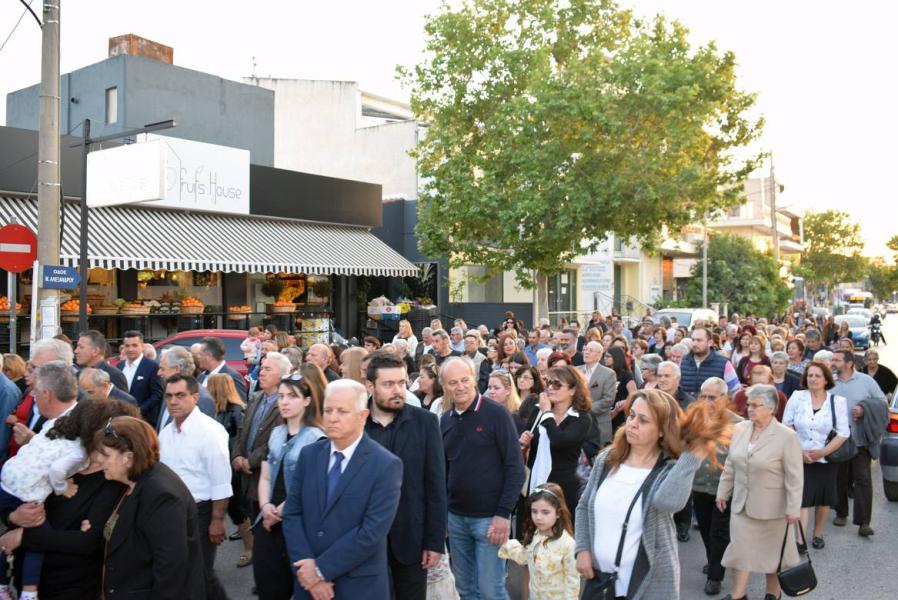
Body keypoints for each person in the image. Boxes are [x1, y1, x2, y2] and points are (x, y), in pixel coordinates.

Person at [574, 389, 721, 600]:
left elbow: (668, 502)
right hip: (601, 582)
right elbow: (584, 506)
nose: (632, 424)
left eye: (643, 420)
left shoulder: (669, 470)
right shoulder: (607, 460)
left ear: (661, 430)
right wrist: (582, 549)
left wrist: (693, 456)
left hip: (649, 584)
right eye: (632, 415)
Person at [282, 379, 403, 599]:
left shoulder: (385, 464)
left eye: (342, 411)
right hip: (306, 582)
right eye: (328, 410)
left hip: (358, 586)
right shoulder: (309, 455)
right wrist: (306, 569)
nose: (332, 417)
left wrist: (320, 570)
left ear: (363, 416)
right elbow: (292, 513)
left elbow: (371, 531)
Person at [364, 353, 447, 600]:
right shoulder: (356, 422)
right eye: (388, 384)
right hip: (363, 541)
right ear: (370, 386)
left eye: (401, 383)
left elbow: (435, 486)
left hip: (411, 541)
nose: (397, 390)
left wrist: (434, 541)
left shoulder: (425, 422)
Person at [440, 357, 524, 600]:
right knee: (465, 590)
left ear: (475, 379)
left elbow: (515, 468)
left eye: (465, 380)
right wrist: (443, 515)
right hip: (455, 519)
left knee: (491, 591)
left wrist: (503, 514)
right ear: (444, 386)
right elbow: (443, 472)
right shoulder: (445, 420)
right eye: (453, 382)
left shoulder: (496, 414)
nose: (460, 387)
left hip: (490, 520)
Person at [96, 416, 205, 599]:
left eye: (105, 455)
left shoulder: (161, 495)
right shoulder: (132, 482)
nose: (99, 460)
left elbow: (170, 565)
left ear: (128, 458)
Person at [0, 362, 84, 600]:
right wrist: (12, 517)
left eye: (35, 391)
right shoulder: (57, 420)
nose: (32, 396)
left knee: (33, 538)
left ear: (46, 393)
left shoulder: (81, 422)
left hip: (65, 573)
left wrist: (63, 487)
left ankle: (25, 591)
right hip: (24, 501)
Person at [716, 384, 804, 600]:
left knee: (772, 556)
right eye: (749, 404)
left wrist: (794, 509)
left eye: (756, 405)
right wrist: (722, 491)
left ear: (771, 408)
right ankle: (738, 594)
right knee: (740, 552)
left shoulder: (787, 436)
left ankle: (772, 594)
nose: (750, 409)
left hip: (773, 509)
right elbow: (731, 463)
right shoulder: (740, 428)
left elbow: (794, 477)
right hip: (742, 505)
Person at [158, 374, 232, 600]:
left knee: (201, 573)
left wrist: (217, 520)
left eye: (180, 395)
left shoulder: (210, 431)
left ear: (195, 398)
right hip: (172, 513)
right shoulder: (166, 433)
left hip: (200, 513)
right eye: (169, 396)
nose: (173, 401)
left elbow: (221, 480)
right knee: (185, 572)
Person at [254, 370, 325, 600]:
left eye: (292, 396)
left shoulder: (317, 438)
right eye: (281, 396)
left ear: (307, 400)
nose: (284, 402)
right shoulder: (276, 433)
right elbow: (265, 476)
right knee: (267, 588)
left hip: (298, 525)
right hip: (267, 522)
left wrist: (280, 511)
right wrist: (265, 506)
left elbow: (311, 486)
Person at [781, 361, 849, 550]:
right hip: (800, 457)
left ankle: (817, 533)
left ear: (826, 380)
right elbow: (787, 425)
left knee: (824, 500)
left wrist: (822, 452)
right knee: (802, 499)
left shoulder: (837, 401)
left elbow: (843, 433)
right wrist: (800, 451)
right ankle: (800, 539)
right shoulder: (797, 397)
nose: (813, 379)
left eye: (817, 376)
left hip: (827, 459)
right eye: (810, 375)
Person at [691, 378, 743, 596]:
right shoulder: (693, 419)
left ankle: (715, 577)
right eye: (702, 396)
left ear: (724, 398)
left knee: (719, 533)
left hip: (724, 489)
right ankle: (714, 559)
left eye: (711, 397)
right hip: (699, 486)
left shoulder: (739, 425)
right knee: (705, 528)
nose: (706, 401)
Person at [519, 365, 592, 520]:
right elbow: (527, 439)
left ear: (573, 390)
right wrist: (525, 440)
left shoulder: (581, 418)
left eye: (557, 384)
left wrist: (547, 413)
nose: (550, 388)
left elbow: (560, 441)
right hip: (535, 481)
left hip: (562, 489)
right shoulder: (537, 410)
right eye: (549, 382)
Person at [831, 349, 888, 537]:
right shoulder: (830, 382)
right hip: (837, 440)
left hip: (860, 440)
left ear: (849, 364)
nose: (833, 363)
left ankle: (864, 522)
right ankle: (841, 513)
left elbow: (882, 402)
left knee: (862, 479)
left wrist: (864, 409)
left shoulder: (866, 381)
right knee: (839, 478)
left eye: (837, 360)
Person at [231, 352, 291, 514]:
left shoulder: (285, 405)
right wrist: (237, 456)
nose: (261, 373)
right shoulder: (256, 397)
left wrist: (250, 462)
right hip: (247, 479)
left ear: (282, 375)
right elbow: (242, 429)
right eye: (261, 368)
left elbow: (278, 440)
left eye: (267, 369)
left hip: (266, 479)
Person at [498, 483, 578, 600]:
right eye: (534, 511)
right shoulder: (535, 535)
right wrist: (505, 543)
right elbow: (525, 557)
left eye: (545, 512)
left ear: (558, 513)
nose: (538, 517)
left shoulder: (568, 545)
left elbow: (572, 582)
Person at [207, 373, 251, 568]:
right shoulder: (218, 410)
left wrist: (232, 458)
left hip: (231, 468)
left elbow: (239, 439)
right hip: (224, 465)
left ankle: (250, 549)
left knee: (238, 509)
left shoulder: (236, 410)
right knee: (235, 509)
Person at [156, 347, 216, 430]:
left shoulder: (203, 400)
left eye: (162, 369)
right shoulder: (169, 389)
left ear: (177, 369)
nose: (158, 373)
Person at [119, 330, 165, 425]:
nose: (130, 349)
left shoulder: (152, 367)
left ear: (142, 346)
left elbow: (157, 395)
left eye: (134, 345)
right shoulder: (120, 366)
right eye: (127, 346)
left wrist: (139, 410)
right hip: (122, 419)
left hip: (144, 420)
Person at [680, 327, 741, 397]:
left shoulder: (723, 363)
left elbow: (735, 390)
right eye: (693, 340)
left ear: (710, 343)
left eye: (699, 340)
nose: (694, 343)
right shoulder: (683, 362)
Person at [577, 342, 617, 447]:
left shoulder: (608, 374)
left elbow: (608, 400)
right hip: (576, 424)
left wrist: (585, 409)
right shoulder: (576, 370)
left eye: (591, 350)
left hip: (598, 425)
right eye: (585, 349)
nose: (586, 352)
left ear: (599, 355)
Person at [195, 337, 247, 403]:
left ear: (209, 356)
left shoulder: (232, 377)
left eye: (200, 354)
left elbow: (240, 405)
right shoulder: (201, 376)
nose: (198, 357)